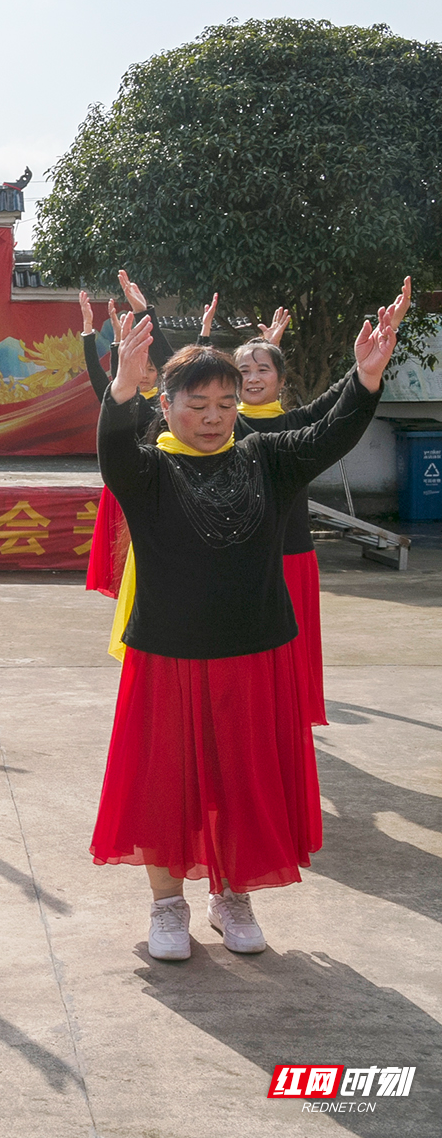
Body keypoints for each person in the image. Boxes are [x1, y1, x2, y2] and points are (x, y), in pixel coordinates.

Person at [91, 301, 395, 961]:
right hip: (167, 655)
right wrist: (119, 387)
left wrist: (364, 380)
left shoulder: (268, 458)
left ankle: (233, 900)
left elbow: (328, 435)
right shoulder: (149, 470)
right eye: (196, 405)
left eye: (225, 405)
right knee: (165, 786)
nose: (211, 418)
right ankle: (166, 908)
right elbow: (113, 450)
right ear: (166, 406)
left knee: (241, 786)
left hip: (253, 654)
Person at [213, 278, 413, 728]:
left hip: (292, 556)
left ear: (281, 380)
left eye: (263, 369)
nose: (253, 378)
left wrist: (367, 367)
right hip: (240, 560)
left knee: (289, 668)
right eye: (243, 371)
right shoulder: (217, 429)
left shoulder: (293, 426)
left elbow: (335, 406)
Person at [78, 277, 177, 603]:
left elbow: (176, 369)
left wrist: (146, 312)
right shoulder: (124, 402)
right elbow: (99, 375)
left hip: (161, 483)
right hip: (130, 481)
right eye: (141, 366)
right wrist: (89, 331)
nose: (147, 372)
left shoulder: (168, 404)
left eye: (152, 368)